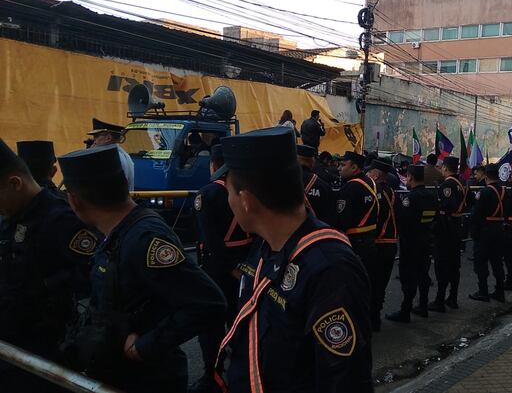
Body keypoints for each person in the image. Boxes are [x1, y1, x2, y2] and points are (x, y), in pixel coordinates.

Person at [211, 126, 373, 392]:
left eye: (228, 192)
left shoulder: (331, 269)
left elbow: (345, 381)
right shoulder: (267, 246)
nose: (229, 201)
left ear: (246, 200)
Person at [59, 144, 226, 393]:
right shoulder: (118, 233)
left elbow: (209, 303)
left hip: (148, 379)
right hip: (119, 372)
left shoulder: (144, 239)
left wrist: (146, 346)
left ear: (75, 200)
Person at [0, 138, 97, 393]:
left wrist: (43, 286)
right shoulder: (13, 217)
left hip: (43, 346)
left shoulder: (60, 220)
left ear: (15, 183)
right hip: (10, 340)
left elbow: (93, 277)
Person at [190, 144, 253, 393]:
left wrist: (227, 266)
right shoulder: (247, 190)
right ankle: (243, 370)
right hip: (245, 265)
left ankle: (212, 376)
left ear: (215, 165)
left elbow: (211, 240)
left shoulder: (207, 194)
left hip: (216, 268)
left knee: (211, 325)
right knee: (239, 320)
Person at [386, 165, 437, 322]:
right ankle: (423, 305)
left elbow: (402, 220)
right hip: (426, 240)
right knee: (423, 274)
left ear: (411, 177)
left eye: (407, 177)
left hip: (411, 242)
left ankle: (405, 310)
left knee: (408, 277)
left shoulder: (411, 198)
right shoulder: (431, 195)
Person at [334, 151, 380, 324]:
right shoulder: (370, 183)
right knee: (365, 284)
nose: (339, 168)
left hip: (354, 243)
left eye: (343, 165)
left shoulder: (350, 188)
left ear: (354, 167)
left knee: (350, 286)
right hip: (369, 241)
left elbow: (341, 220)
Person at [429, 156, 465, 312]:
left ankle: (440, 299)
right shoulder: (462, 184)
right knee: (454, 265)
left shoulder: (447, 185)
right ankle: (453, 297)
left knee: (442, 265)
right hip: (457, 227)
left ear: (445, 168)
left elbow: (447, 206)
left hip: (446, 229)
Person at [468, 163, 506, 302]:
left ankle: (483, 291)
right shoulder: (504, 190)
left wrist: (474, 231)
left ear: (486, 176)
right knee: (497, 262)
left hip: (485, 230)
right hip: (499, 228)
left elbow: (476, 214)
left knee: (481, 262)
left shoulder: (484, 192)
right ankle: (500, 291)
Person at [368, 159, 399, 331]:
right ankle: (375, 319)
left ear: (376, 175)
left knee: (370, 283)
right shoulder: (393, 192)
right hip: (391, 243)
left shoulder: (374, 191)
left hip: (377, 243)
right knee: (381, 284)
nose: (367, 175)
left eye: (370, 172)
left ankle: (369, 319)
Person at [88, 118, 134, 191]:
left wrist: (89, 156)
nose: (94, 141)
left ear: (108, 138)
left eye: (96, 136)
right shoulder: (124, 154)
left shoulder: (107, 157)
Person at [297, 145, 334, 225]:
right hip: (314, 233)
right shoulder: (323, 185)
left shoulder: (282, 182)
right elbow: (329, 216)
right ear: (312, 162)